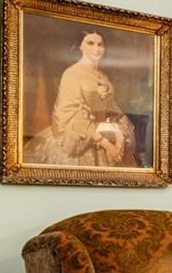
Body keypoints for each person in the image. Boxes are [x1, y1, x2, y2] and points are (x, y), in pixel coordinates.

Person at [23, 28, 139, 168]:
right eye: (90, 43)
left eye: (100, 44)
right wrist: (106, 144)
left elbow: (112, 110)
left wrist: (120, 136)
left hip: (105, 130)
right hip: (82, 136)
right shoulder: (72, 74)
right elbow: (70, 114)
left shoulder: (103, 76)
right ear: (80, 46)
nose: (96, 48)